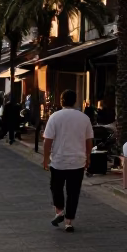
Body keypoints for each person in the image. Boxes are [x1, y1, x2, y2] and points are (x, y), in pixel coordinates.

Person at [42, 89, 94, 233]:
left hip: (58, 161)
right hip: (78, 161)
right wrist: (88, 157)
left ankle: (59, 211)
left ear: (61, 101)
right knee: (73, 192)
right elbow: (89, 140)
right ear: (75, 101)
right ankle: (69, 222)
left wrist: (45, 159)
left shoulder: (55, 117)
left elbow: (48, 140)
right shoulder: (84, 118)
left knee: (56, 188)